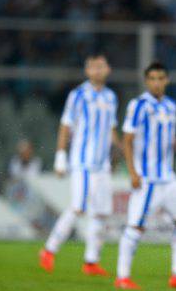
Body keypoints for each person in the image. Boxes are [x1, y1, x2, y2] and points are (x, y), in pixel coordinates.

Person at [114, 62, 176, 291]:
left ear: (167, 80)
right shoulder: (139, 105)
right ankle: (122, 276)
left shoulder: (171, 106)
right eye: (152, 78)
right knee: (135, 227)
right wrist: (132, 172)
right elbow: (128, 140)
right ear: (146, 81)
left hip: (168, 178)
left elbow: (163, 139)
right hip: (147, 179)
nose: (157, 82)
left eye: (161, 78)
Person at [39, 53, 119, 276]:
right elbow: (65, 126)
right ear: (87, 71)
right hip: (82, 161)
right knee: (78, 207)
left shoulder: (111, 97)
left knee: (101, 212)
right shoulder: (78, 95)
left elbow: (112, 130)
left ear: (107, 69)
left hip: (102, 164)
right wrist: (60, 156)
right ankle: (49, 249)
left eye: (100, 66)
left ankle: (91, 261)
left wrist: (117, 155)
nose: (97, 70)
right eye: (92, 66)